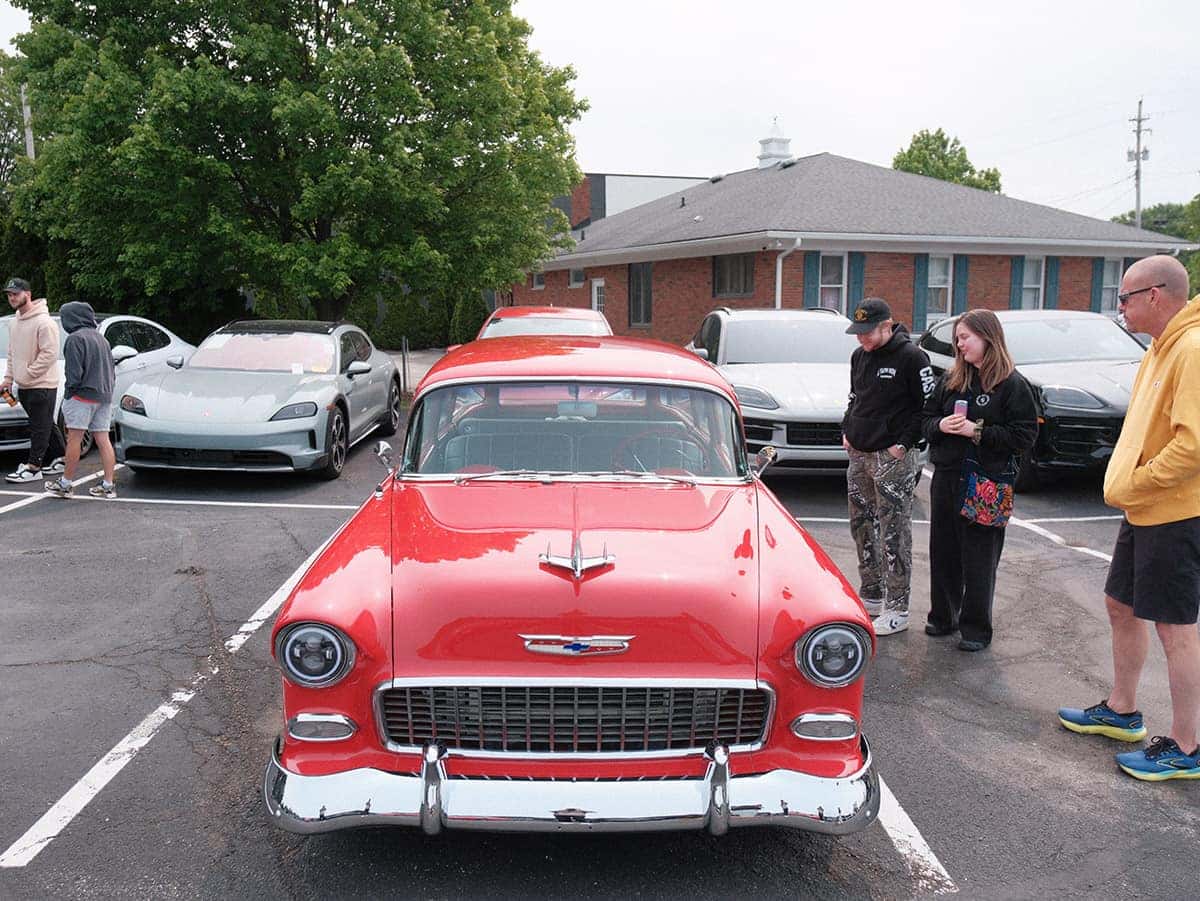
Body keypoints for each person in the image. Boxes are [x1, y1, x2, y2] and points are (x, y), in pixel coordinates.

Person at [1058, 255, 1200, 781]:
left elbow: (1193, 445)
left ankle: (1187, 746)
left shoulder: (1191, 349)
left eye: (1124, 298)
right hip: (1145, 510)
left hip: (1174, 513)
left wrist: (1138, 481)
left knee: (1176, 627)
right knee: (1121, 604)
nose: (1119, 307)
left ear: (1155, 295)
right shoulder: (1160, 348)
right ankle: (1122, 711)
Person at [920, 309, 1037, 651]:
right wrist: (939, 426)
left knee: (979, 557)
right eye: (957, 339)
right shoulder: (952, 379)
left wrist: (978, 431)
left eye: (965, 337)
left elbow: (1024, 436)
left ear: (988, 337)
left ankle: (975, 629)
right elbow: (925, 418)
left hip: (987, 480)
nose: (959, 345)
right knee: (943, 550)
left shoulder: (1013, 385)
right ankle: (943, 617)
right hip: (947, 476)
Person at [842, 297, 936, 635]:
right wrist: (847, 430)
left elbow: (927, 405)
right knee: (861, 525)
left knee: (894, 531)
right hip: (859, 452)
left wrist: (903, 445)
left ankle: (898, 607)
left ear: (887, 325)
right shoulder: (859, 356)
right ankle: (871, 595)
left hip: (891, 456)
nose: (862, 339)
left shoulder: (912, 357)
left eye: (868, 332)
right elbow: (855, 397)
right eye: (858, 332)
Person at [43, 301, 117, 499]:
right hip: (104, 395)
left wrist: (69, 395)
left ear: (72, 318)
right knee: (103, 439)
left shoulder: (75, 339)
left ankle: (66, 483)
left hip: (82, 396)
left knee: (74, 438)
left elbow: (73, 374)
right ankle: (108, 484)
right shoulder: (102, 339)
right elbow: (111, 370)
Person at [2, 277, 66, 483]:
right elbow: (12, 353)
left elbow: (49, 354)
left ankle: (34, 467)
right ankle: (62, 458)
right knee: (45, 423)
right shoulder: (14, 322)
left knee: (38, 427)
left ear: (27, 294)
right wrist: (9, 378)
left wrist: (27, 374)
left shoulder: (44, 322)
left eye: (16, 293)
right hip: (24, 385)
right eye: (9, 294)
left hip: (42, 385)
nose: (12, 297)